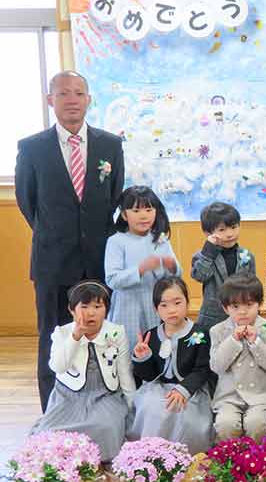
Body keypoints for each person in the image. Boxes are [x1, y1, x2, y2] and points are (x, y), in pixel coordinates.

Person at [15, 71, 125, 411]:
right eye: (63, 93)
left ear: (88, 99)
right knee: (53, 337)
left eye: (79, 93)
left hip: (98, 259)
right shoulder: (32, 147)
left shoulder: (110, 145)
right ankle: (52, 413)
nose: (72, 100)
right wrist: (57, 233)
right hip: (52, 261)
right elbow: (27, 202)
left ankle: (102, 406)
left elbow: (114, 195)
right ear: (51, 100)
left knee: (102, 336)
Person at [31, 281, 134, 460]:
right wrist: (75, 337)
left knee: (107, 427)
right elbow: (58, 367)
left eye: (97, 306)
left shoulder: (117, 332)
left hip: (105, 394)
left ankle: (97, 459)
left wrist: (132, 405)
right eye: (84, 306)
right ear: (72, 310)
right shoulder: (62, 333)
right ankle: (66, 461)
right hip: (68, 395)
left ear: (106, 309)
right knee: (50, 432)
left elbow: (124, 372)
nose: (91, 312)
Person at [128, 277, 214, 454]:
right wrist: (143, 357)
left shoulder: (200, 334)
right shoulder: (151, 335)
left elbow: (202, 369)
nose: (172, 310)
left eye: (177, 302)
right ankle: (151, 455)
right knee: (152, 408)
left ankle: (187, 457)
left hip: (190, 390)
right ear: (156, 309)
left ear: (187, 302)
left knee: (186, 417)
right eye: (164, 305)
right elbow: (149, 376)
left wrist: (183, 390)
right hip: (157, 388)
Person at [105, 186, 180, 354]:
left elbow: (175, 277)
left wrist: (172, 267)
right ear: (124, 215)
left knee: (156, 348)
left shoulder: (160, 239)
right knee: (127, 350)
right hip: (127, 306)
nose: (144, 215)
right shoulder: (116, 241)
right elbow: (112, 279)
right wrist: (140, 269)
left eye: (149, 209)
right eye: (136, 210)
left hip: (155, 304)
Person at [209, 274, 266, 441]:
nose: (242, 311)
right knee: (226, 425)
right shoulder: (218, 330)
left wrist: (256, 342)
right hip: (229, 397)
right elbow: (217, 366)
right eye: (235, 306)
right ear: (225, 308)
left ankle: (256, 456)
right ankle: (230, 457)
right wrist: (233, 340)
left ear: (259, 304)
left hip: (261, 395)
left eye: (249, 304)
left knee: (257, 424)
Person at [191, 202, 256, 330]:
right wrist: (209, 251)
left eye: (234, 227)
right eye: (222, 230)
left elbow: (252, 287)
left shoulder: (247, 255)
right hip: (213, 317)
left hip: (242, 314)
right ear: (208, 233)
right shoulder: (203, 256)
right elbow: (199, 276)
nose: (230, 234)